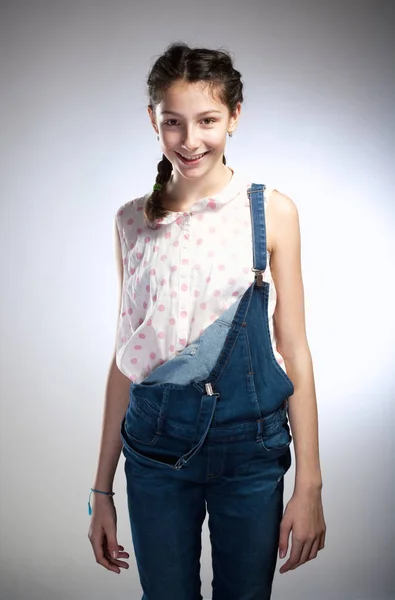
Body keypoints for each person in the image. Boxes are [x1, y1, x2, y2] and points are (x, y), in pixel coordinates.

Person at [88, 42, 326, 600]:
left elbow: (294, 349)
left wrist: (309, 482)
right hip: (153, 446)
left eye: (208, 120)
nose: (190, 140)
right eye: (173, 122)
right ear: (154, 120)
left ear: (235, 117)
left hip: (252, 448)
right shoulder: (131, 221)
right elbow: (127, 357)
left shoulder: (271, 213)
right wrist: (101, 489)